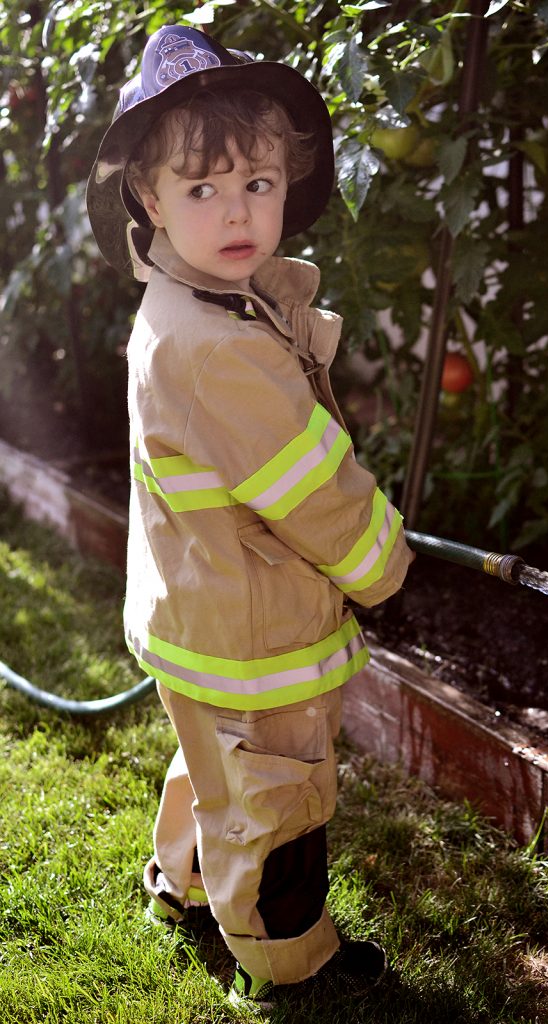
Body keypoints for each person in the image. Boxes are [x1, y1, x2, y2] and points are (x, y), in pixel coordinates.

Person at [86, 23, 413, 1010]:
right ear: (149, 198)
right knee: (276, 796)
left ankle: (179, 887)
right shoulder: (216, 348)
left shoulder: (195, 302)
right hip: (251, 629)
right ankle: (287, 968)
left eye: (256, 185)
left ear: (285, 182)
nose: (236, 212)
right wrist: (385, 567)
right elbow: (314, 493)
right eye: (201, 190)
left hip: (198, 612)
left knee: (210, 765)